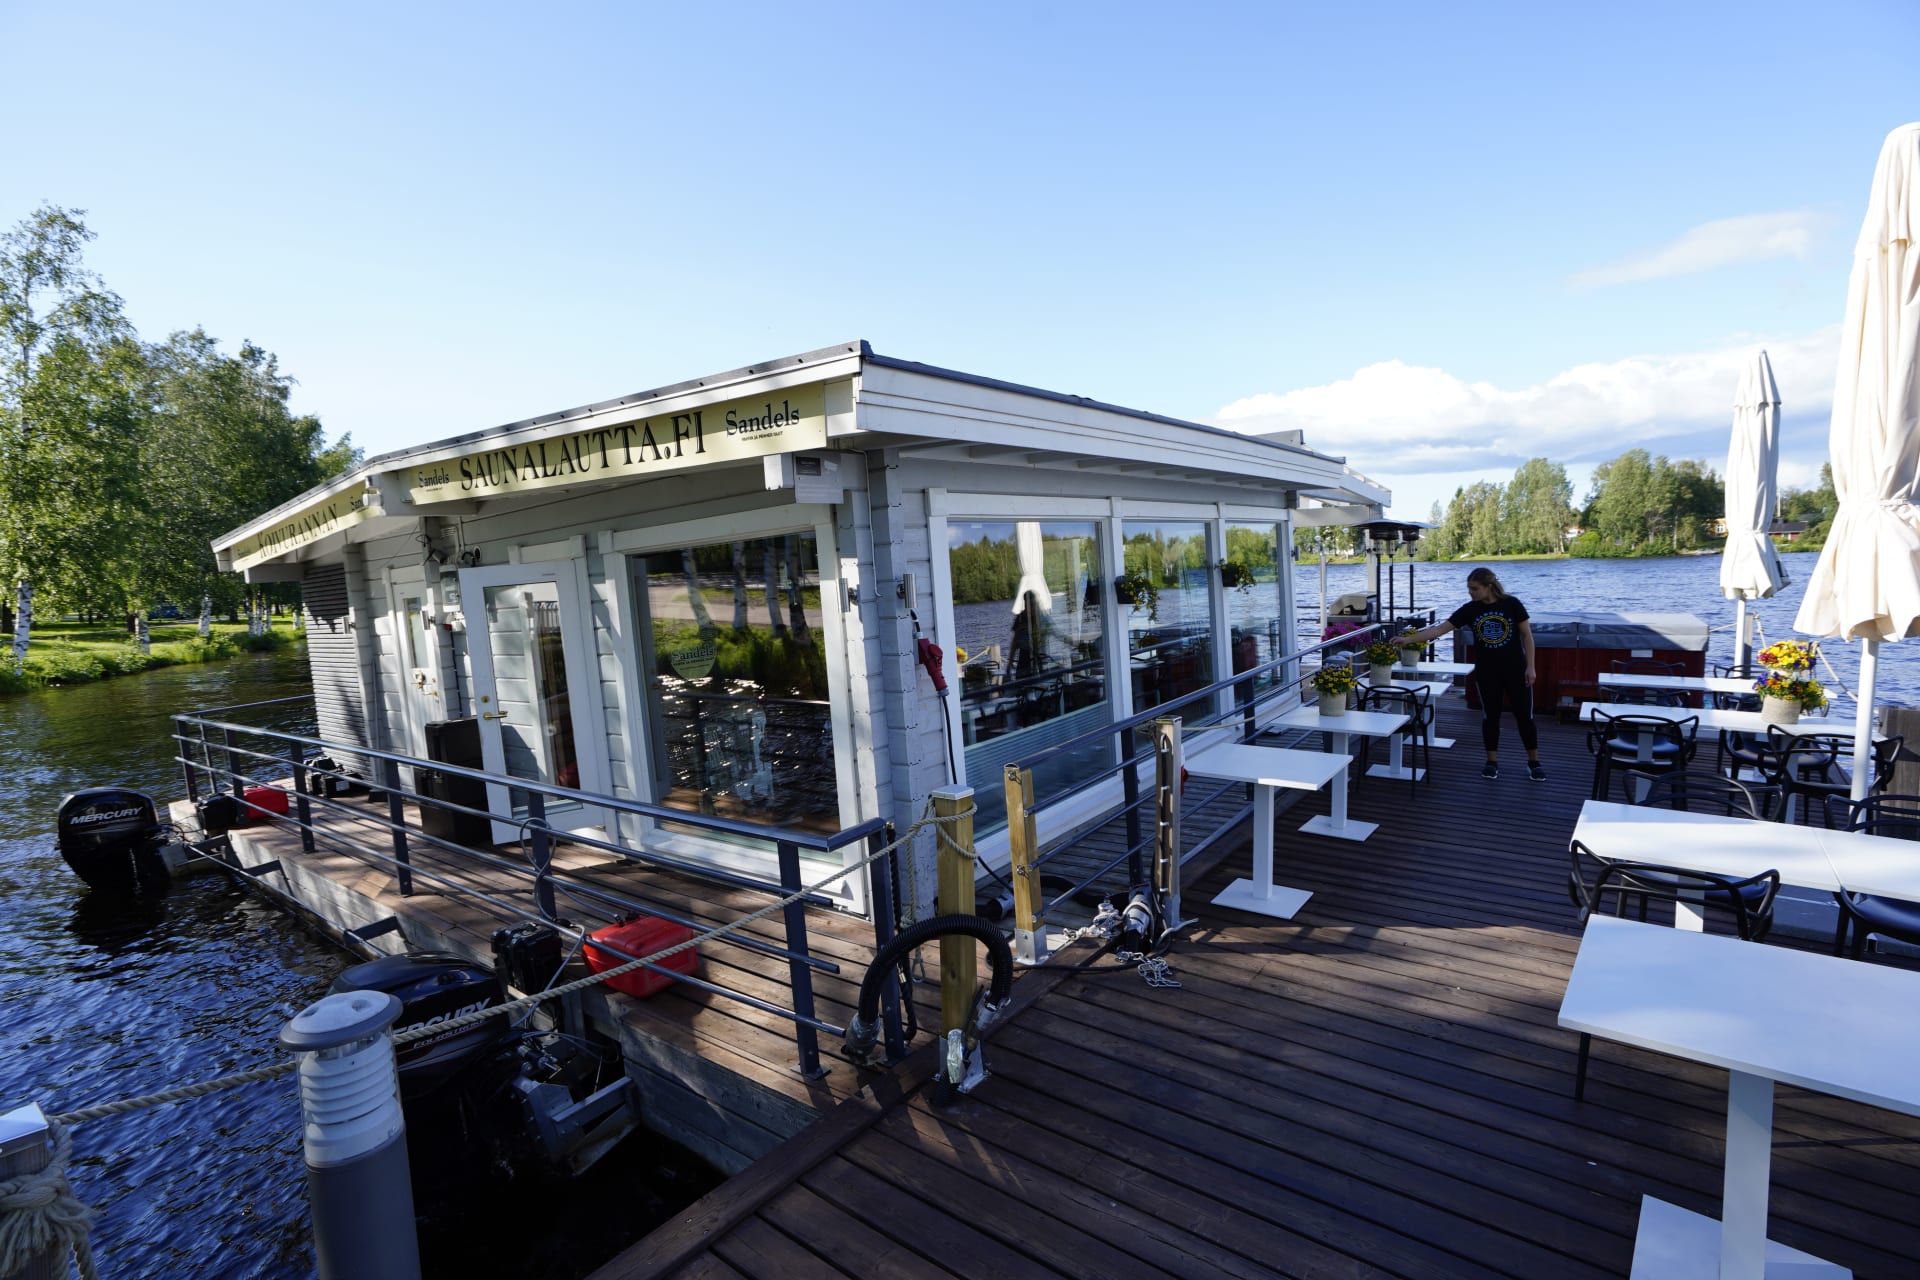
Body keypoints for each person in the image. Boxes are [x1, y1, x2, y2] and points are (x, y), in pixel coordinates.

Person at [1403, 567, 1542, 781]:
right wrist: (1407, 639)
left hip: (1516, 671)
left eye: (1474, 589)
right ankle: (1491, 762)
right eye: (1469, 588)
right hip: (1487, 673)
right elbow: (1439, 630)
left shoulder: (1511, 604)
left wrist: (1530, 667)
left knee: (1524, 716)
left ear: (1489, 587)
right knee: (1490, 717)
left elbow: (1527, 637)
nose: (1471, 592)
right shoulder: (1471, 609)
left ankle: (1533, 762)